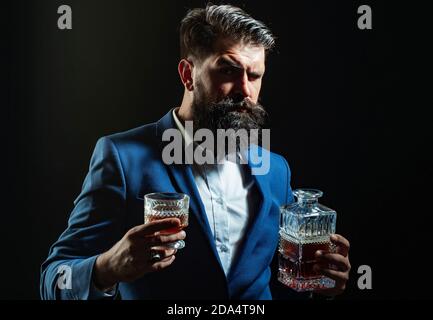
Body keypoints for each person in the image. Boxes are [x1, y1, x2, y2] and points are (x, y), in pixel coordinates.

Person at [40, 4, 351, 300]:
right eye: (228, 71)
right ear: (188, 74)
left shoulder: (275, 169)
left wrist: (320, 286)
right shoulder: (122, 157)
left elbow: (283, 284)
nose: (245, 89)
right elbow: (55, 279)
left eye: (254, 75)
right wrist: (107, 268)